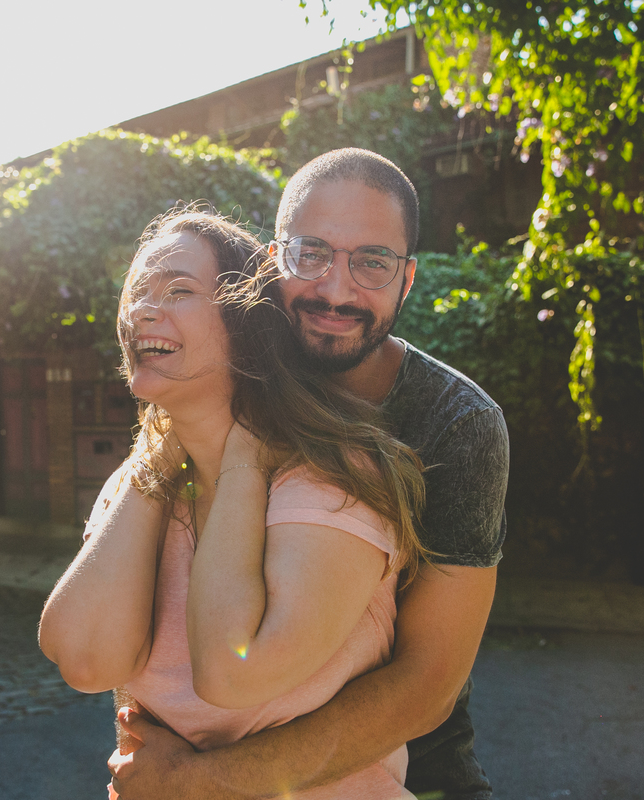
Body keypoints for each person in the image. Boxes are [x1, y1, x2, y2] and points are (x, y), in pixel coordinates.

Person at [106, 149, 509, 800]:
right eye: (311, 253)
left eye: (372, 262)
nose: (336, 291)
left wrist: (198, 782)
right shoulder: (220, 382)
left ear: (407, 279)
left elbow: (427, 685)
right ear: (272, 262)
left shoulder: (456, 422)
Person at [39, 208, 429, 798]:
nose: (143, 310)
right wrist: (156, 461)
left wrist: (244, 453)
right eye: (137, 292)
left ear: (244, 322)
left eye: (178, 290)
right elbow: (84, 660)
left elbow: (232, 673)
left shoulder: (331, 479)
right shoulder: (138, 485)